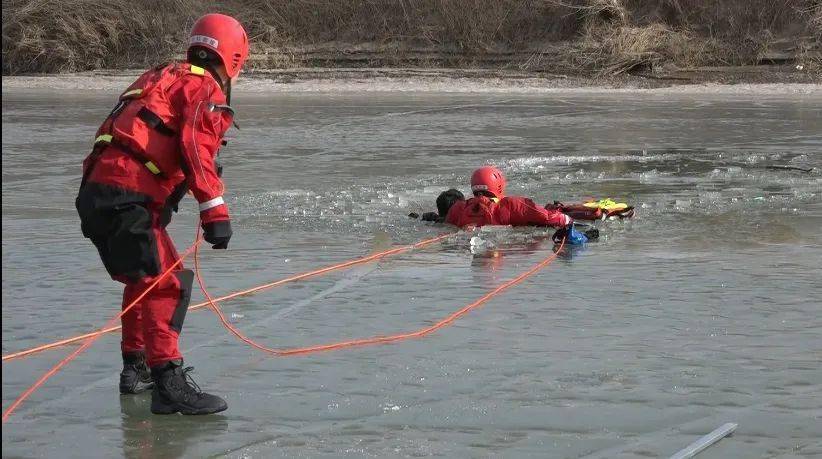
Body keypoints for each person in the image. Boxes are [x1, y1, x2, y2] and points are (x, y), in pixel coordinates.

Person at [75, 13, 249, 415]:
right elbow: (194, 147)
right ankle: (169, 383)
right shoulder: (203, 86)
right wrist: (215, 212)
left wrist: (169, 196)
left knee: (144, 278)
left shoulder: (163, 76)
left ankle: (135, 369)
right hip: (127, 197)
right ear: (234, 58)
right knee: (166, 285)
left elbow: (148, 138)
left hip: (97, 194)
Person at [444, 166, 574, 229]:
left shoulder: (458, 208)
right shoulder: (513, 205)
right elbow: (549, 218)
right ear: (499, 185)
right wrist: (566, 217)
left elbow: (446, 226)